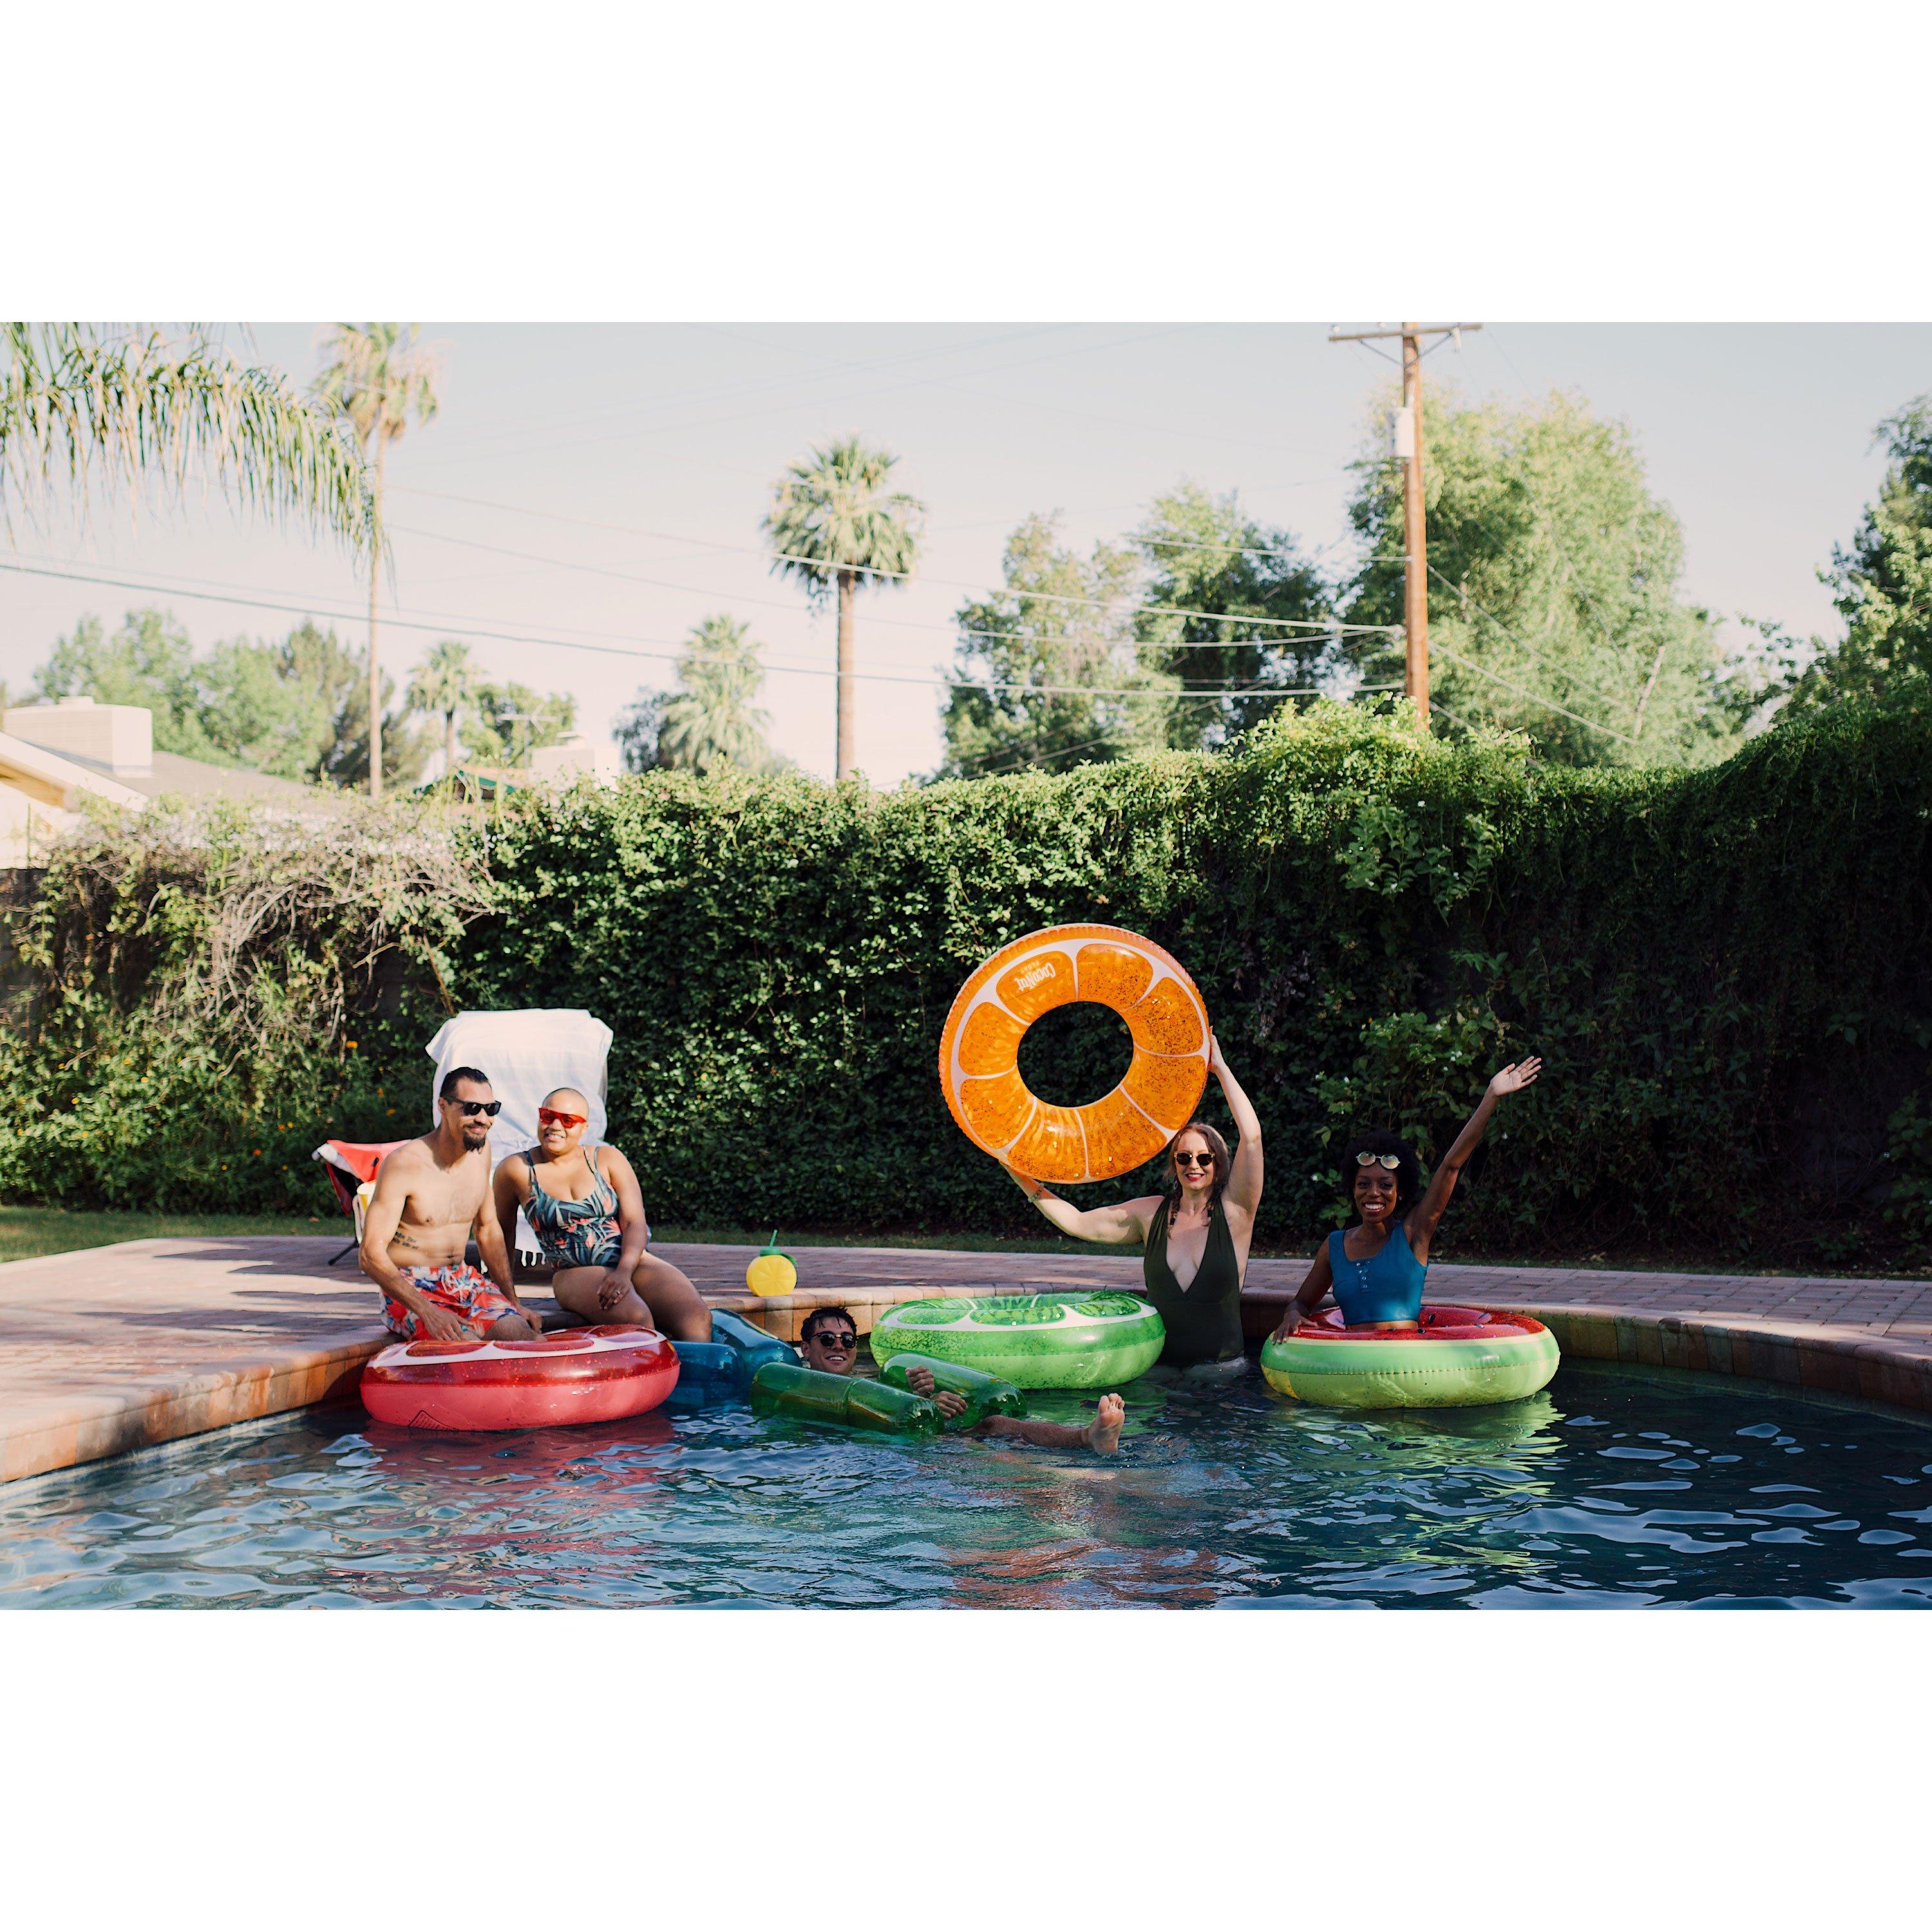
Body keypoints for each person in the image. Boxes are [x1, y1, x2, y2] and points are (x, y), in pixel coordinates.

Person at [1002, 1034, 1264, 1378]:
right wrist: (1022, 1177)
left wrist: (1221, 1069)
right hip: (1160, 1373)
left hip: (1222, 1377)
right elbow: (1078, 1222)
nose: (1194, 1165)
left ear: (1219, 1164)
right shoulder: (1151, 1214)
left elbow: (1253, 1137)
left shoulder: (1236, 1212)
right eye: (1184, 1157)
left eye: (1204, 1157)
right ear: (1174, 1164)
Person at [1272, 1057, 1544, 1338]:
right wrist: (1292, 1314)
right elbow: (1301, 1303)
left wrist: (1491, 1097)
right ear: (1352, 1189)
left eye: (1385, 1185)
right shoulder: (1334, 1246)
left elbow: (1451, 1166)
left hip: (1406, 1364)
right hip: (1351, 1363)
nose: (1373, 1193)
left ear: (1400, 1193)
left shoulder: (1414, 1234)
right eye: (1363, 1184)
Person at [492, 1087, 712, 1342]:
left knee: (697, 1317)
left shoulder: (607, 1160)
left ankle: (697, 1380)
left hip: (630, 1261)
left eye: (568, 1120)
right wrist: (509, 1299)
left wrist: (624, 1271)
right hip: (573, 1271)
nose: (555, 1126)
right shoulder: (516, 1169)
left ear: (584, 1128)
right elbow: (499, 1235)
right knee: (638, 1320)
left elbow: (634, 1222)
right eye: (547, 1115)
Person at [359, 1066, 545, 1342]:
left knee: (528, 1341)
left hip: (461, 1280)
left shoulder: (481, 1152)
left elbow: (488, 1230)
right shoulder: (405, 1164)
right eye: (471, 1108)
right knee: (468, 1349)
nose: (482, 1119)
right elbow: (369, 1255)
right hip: (411, 1286)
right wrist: (427, 1311)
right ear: (443, 1107)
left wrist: (512, 1301)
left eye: (490, 1109)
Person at [795, 1307, 1126, 1455]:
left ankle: (1086, 1437)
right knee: (992, 1460)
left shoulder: (873, 1381)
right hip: (871, 1457)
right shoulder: (796, 1386)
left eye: (848, 1340)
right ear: (805, 1349)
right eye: (826, 1339)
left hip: (921, 1448)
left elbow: (908, 1418)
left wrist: (927, 1397)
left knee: (994, 1424)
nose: (839, 1345)